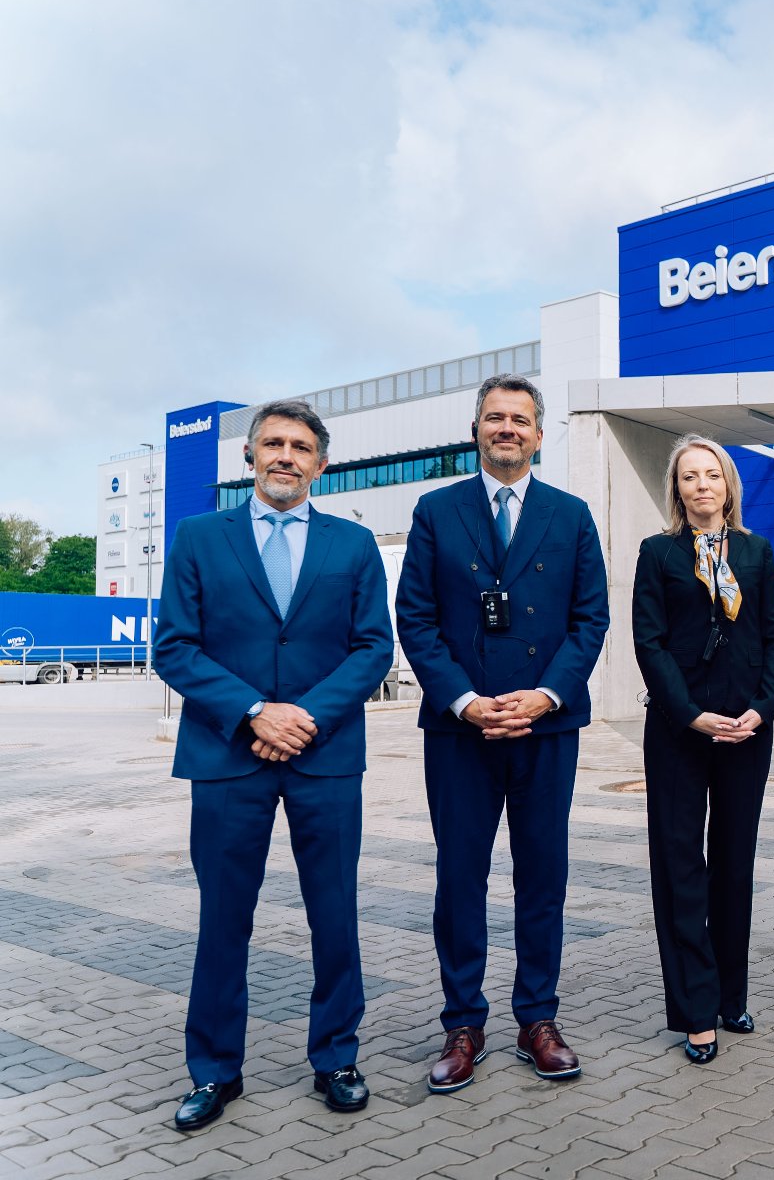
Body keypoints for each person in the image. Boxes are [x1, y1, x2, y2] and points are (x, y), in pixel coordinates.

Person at [154, 399, 392, 1131]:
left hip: (324, 757)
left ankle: (337, 1057)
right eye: (273, 444)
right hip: (228, 755)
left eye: (300, 446)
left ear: (321, 462)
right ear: (250, 457)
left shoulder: (352, 546)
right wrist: (257, 710)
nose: (285, 456)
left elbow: (373, 647)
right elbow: (175, 646)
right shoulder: (199, 537)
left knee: (334, 915)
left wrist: (304, 716)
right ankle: (214, 1070)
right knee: (224, 918)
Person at [395, 373, 609, 1094]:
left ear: (540, 434)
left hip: (546, 726)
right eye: (495, 418)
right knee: (461, 877)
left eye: (520, 419)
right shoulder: (435, 511)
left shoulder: (572, 515)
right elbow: (416, 619)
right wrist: (463, 699)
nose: (507, 428)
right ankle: (464, 1021)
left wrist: (546, 695)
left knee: (542, 876)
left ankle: (537, 1018)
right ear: (477, 430)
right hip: (462, 731)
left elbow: (590, 621)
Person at [633, 434, 774, 1065]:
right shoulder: (658, 553)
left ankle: (729, 993)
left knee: (733, 863)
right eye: (689, 476)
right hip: (679, 729)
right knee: (679, 867)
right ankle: (696, 1010)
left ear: (728, 485)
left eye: (712, 474)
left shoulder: (757, 551)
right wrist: (692, 714)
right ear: (677, 488)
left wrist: (763, 707)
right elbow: (651, 643)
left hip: (747, 728)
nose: (702, 485)